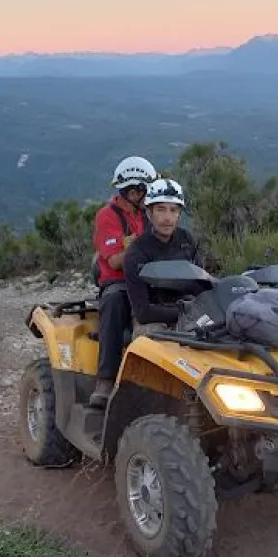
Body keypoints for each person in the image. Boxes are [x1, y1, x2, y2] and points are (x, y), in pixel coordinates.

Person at [89, 156, 158, 408]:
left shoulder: (150, 215)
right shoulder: (108, 216)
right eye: (141, 190)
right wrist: (144, 244)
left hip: (150, 278)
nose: (143, 194)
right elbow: (116, 260)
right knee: (114, 301)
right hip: (119, 281)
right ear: (131, 190)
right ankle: (105, 380)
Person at [123, 178, 204, 329]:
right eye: (161, 209)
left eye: (173, 210)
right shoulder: (136, 252)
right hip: (153, 318)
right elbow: (143, 312)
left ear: (179, 214)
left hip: (188, 308)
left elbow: (202, 284)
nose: (167, 218)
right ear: (149, 213)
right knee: (154, 345)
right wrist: (185, 312)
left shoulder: (186, 240)